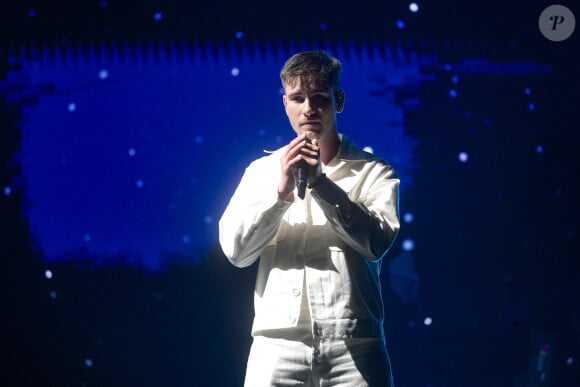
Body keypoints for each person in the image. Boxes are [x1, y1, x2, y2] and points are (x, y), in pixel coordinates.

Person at [218, 50, 400, 386]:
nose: (309, 109)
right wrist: (281, 194)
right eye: (299, 98)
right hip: (276, 345)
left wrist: (322, 184)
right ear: (285, 103)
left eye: (319, 98)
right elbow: (236, 252)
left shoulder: (374, 173)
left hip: (353, 347)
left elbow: (375, 244)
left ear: (338, 100)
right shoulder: (260, 173)